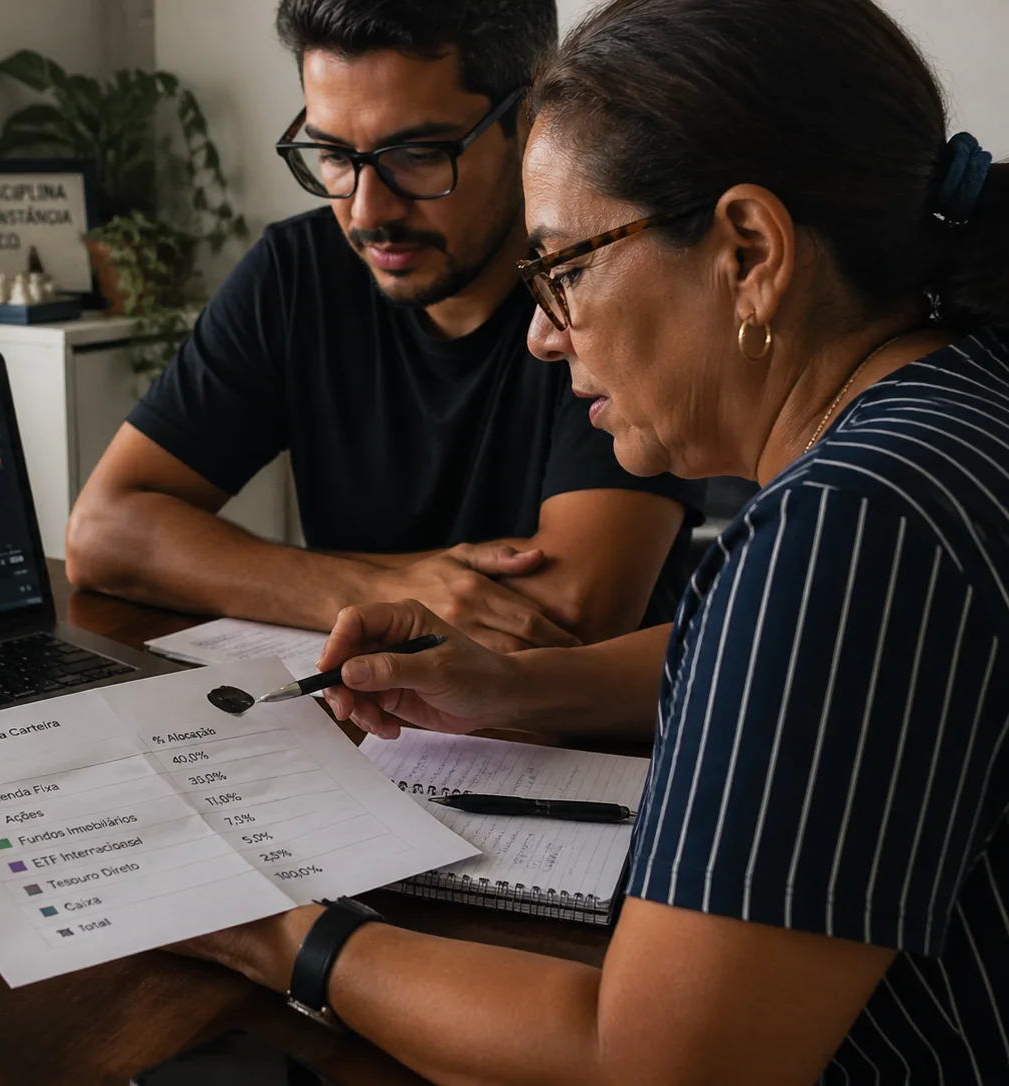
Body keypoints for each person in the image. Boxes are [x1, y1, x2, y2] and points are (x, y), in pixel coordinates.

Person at [171, 0, 1009, 1081]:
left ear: (749, 250)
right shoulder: (953, 404)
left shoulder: (852, 525)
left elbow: (652, 1062)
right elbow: (814, 673)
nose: (540, 332)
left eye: (564, 269)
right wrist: (516, 690)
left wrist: (273, 931)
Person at [65, 0, 705, 654]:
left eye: (418, 154)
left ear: (528, 121)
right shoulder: (297, 272)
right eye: (333, 155)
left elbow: (570, 612)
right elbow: (103, 533)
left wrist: (289, 578)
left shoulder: (607, 281)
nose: (368, 212)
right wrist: (374, 590)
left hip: (585, 719)